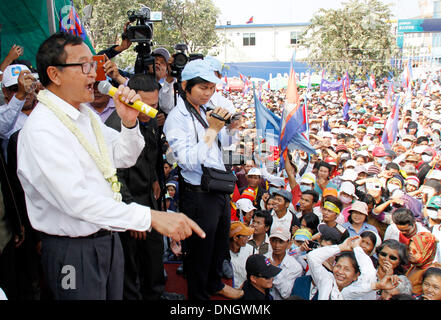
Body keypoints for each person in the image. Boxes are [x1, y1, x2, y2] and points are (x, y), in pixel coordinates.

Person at [16, 32, 204, 300]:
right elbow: (75, 201)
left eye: (93, 65)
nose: (93, 74)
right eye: (84, 66)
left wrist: (128, 122)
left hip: (107, 238)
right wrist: (149, 216)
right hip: (74, 249)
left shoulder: (84, 116)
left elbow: (122, 157)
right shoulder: (42, 129)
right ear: (54, 75)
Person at [163, 58, 241, 300]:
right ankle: (199, 296)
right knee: (199, 253)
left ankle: (215, 283)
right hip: (198, 194)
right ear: (185, 86)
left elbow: (222, 149)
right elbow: (187, 161)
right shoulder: (177, 118)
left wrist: (230, 130)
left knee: (219, 245)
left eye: (212, 88)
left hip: (218, 187)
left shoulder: (205, 110)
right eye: (203, 88)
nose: (209, 93)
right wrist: (212, 130)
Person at [105, 73, 180, 300]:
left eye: (155, 105)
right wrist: (131, 214)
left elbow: (149, 156)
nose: (151, 110)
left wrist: (156, 179)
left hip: (150, 199)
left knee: (154, 256)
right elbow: (114, 176)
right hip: (129, 204)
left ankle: (156, 294)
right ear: (131, 99)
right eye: (145, 105)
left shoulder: (149, 121)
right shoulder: (116, 126)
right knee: (132, 266)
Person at [306, 235, 377, 300]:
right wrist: (341, 247)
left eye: (347, 269)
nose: (340, 271)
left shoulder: (358, 290)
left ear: (356, 275)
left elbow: (370, 276)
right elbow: (312, 257)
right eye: (338, 266)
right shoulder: (327, 281)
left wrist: (357, 248)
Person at [265, 226, 303, 300]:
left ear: (289, 244)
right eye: (274, 240)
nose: (276, 245)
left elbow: (286, 293)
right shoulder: (264, 259)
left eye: (281, 242)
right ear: (270, 241)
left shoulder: (295, 267)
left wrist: (275, 271)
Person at [229, 221, 254, 289]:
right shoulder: (223, 254)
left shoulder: (251, 250)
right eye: (245, 236)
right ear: (235, 238)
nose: (247, 238)